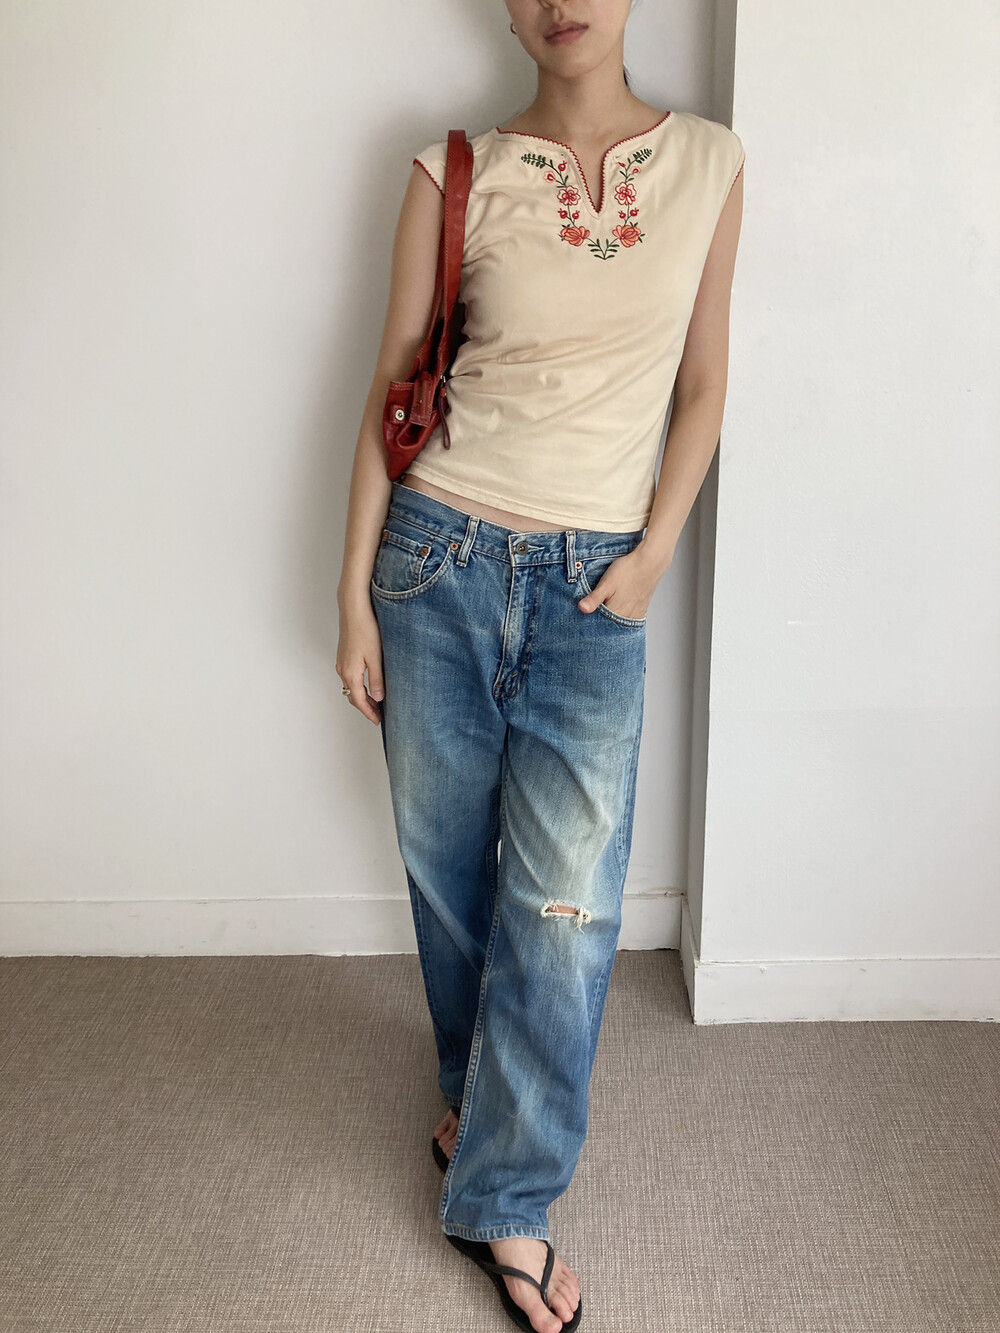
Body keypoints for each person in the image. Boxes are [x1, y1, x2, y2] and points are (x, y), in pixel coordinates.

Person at [336, 2, 745, 1328]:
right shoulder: (452, 170)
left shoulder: (710, 163)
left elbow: (702, 384)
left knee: (565, 907)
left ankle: (505, 1194)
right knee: (451, 876)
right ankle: (480, 1111)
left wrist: (656, 552)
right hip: (436, 560)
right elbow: (392, 381)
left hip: (594, 583)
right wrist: (351, 594)